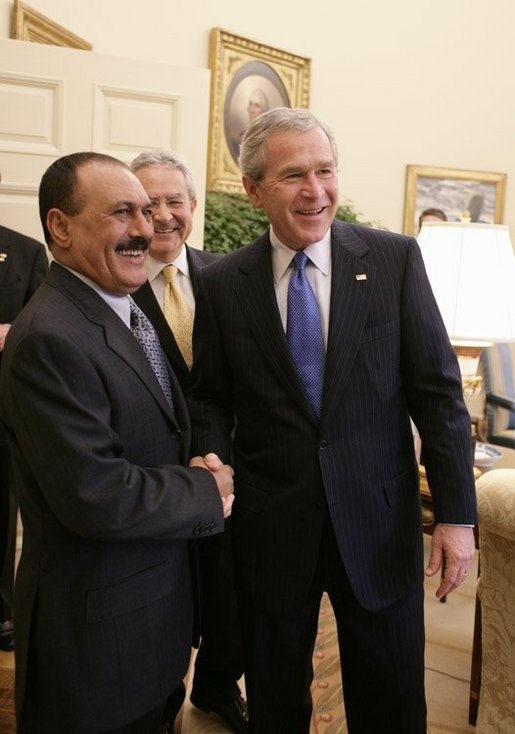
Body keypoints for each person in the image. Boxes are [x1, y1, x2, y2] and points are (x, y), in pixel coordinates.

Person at [187, 108, 477, 733]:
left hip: (377, 524)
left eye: (325, 170)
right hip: (271, 530)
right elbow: (209, 398)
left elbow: (438, 396)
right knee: (276, 704)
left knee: (393, 700)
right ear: (255, 189)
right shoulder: (222, 284)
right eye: (294, 175)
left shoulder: (394, 261)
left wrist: (456, 515)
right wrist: (213, 463)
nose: (316, 190)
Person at [0, 151, 234, 734]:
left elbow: (147, 433)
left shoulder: (118, 309)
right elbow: (96, 492)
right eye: (123, 212)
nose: (145, 228)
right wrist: (204, 490)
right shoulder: (50, 337)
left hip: (146, 626)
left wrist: (190, 459)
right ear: (60, 226)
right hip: (96, 640)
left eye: (150, 210)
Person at [129, 149, 248, 733]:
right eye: (148, 203)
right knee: (162, 600)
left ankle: (219, 687)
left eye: (175, 200)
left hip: (227, 464)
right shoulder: (113, 284)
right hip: (152, 473)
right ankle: (158, 701)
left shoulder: (225, 275)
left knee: (230, 590)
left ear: (193, 207)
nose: (163, 214)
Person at [0, 223, 48, 653]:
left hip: (2, 406)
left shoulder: (26, 250)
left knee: (2, 509)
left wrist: (10, 331)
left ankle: (2, 611)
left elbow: (44, 322)